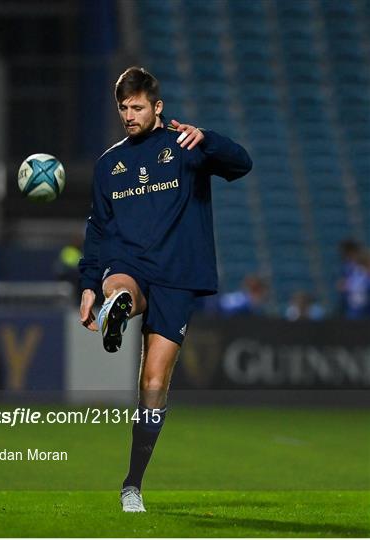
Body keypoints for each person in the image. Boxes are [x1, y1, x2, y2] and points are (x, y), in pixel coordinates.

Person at [78, 67, 252, 512]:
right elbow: (98, 230)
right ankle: (117, 304)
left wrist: (207, 137)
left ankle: (132, 483)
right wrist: (87, 286)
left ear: (157, 107)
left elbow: (242, 163)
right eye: (123, 108)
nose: (129, 115)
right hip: (130, 263)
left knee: (154, 382)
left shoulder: (185, 146)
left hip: (176, 273)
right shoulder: (108, 164)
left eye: (137, 107)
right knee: (120, 284)